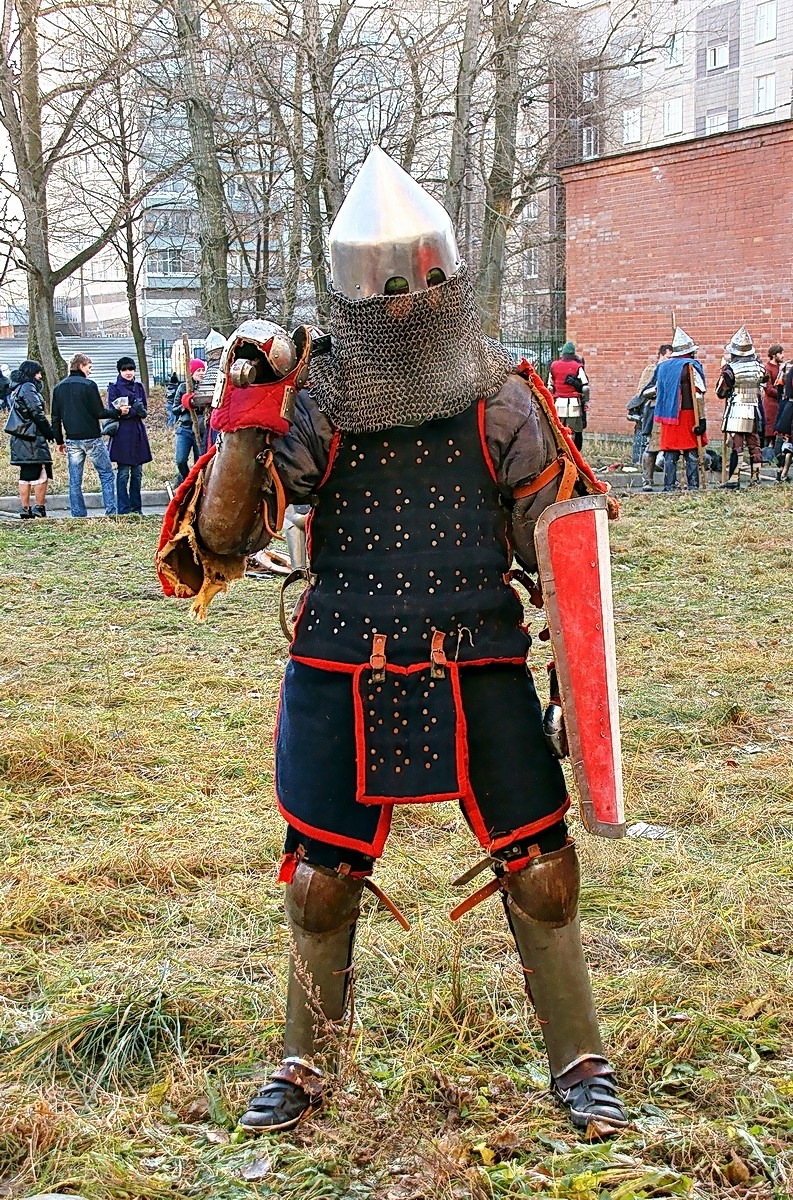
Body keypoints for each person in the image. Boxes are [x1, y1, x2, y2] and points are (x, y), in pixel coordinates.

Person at [157, 147, 627, 1139]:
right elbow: (226, 537)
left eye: (423, 283)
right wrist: (245, 415)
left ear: (448, 278)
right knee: (319, 881)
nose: (410, 304)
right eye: (391, 288)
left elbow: (553, 543)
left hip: (477, 652)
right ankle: (303, 1061)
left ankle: (580, 1060)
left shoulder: (502, 393)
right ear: (355, 295)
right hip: (344, 653)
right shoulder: (319, 397)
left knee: (542, 867)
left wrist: (578, 667)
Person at [51, 353, 117, 517]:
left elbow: (55, 418)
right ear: (81, 366)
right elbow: (99, 412)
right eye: (89, 367)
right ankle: (111, 512)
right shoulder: (89, 385)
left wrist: (59, 441)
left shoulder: (59, 388)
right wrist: (117, 412)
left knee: (75, 479)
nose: (90, 371)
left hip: (72, 439)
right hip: (92, 437)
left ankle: (78, 514)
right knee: (106, 474)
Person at [653, 327, 707, 492]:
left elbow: (657, 389)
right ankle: (693, 486)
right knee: (691, 451)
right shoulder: (691, 366)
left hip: (668, 416)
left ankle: (669, 486)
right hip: (688, 414)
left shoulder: (662, 367)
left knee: (671, 452)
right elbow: (698, 394)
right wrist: (702, 419)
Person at [717, 327, 766, 489]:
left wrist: (723, 373)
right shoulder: (760, 367)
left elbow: (720, 392)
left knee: (737, 446)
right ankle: (755, 479)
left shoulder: (730, 370)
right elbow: (764, 381)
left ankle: (733, 480)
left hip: (736, 410)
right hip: (754, 409)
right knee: (754, 445)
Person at [4, 360, 55, 518]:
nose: (40, 376)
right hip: (32, 437)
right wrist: (49, 432)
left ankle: (26, 509)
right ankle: (38, 508)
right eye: (38, 373)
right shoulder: (28, 387)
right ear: (32, 373)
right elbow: (36, 412)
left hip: (21, 437)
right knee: (40, 472)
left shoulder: (17, 387)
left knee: (26, 473)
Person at [106, 357, 152, 515]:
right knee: (123, 473)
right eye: (125, 369)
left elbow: (144, 410)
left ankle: (136, 508)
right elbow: (114, 410)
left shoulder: (139, 387)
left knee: (137, 473)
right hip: (122, 434)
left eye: (131, 369)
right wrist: (134, 410)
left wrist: (133, 410)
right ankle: (123, 509)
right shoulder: (114, 388)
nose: (128, 372)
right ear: (119, 371)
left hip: (138, 433)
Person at [636, 344, 674, 491]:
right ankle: (647, 480)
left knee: (671, 448)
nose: (669, 360)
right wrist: (657, 390)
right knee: (651, 446)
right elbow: (642, 392)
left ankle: (671, 481)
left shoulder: (674, 370)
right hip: (654, 409)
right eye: (668, 357)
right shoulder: (651, 370)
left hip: (670, 411)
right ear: (661, 355)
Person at [547, 341, 588, 450]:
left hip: (558, 403)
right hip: (574, 404)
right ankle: (572, 453)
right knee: (573, 431)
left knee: (558, 430)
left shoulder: (554, 365)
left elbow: (550, 387)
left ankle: (561, 452)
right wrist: (586, 401)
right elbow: (585, 387)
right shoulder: (577, 366)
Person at [171, 358, 206, 482]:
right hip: (184, 429)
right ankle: (186, 481)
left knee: (199, 462)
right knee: (180, 460)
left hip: (200, 431)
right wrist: (185, 405)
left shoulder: (207, 387)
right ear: (191, 372)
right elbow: (174, 409)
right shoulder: (182, 387)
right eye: (198, 370)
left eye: (203, 370)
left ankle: (197, 484)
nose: (201, 373)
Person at [763, 345, 783, 447]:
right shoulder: (767, 368)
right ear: (774, 355)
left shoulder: (781, 367)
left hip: (780, 403)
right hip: (771, 404)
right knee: (770, 431)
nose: (782, 355)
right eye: (780, 353)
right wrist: (781, 393)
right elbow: (768, 389)